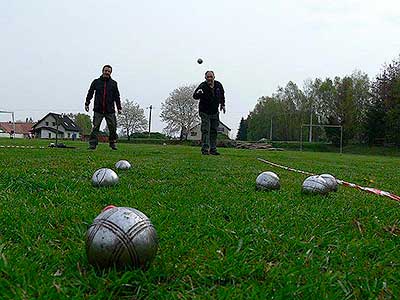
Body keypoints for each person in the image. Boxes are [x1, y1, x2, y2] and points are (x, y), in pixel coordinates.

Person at [85, 65, 122, 150]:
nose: (107, 72)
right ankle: (92, 144)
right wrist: (87, 103)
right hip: (98, 109)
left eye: (109, 71)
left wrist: (119, 107)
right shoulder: (96, 82)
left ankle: (112, 143)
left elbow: (117, 96)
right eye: (106, 71)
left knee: (113, 127)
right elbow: (90, 92)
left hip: (110, 110)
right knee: (95, 127)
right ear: (102, 71)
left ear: (111, 73)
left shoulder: (113, 83)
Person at [193, 70, 226, 155]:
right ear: (205, 78)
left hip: (215, 111)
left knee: (214, 130)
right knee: (206, 130)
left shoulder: (218, 85)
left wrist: (223, 105)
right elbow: (195, 96)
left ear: (214, 77)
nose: (209, 78)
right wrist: (199, 93)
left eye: (211, 77)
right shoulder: (202, 86)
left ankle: (213, 149)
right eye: (208, 77)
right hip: (204, 111)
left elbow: (222, 95)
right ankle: (205, 149)